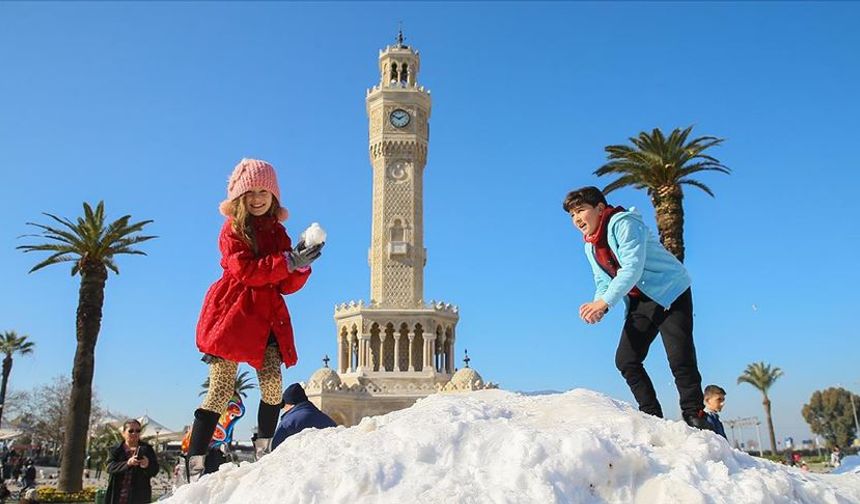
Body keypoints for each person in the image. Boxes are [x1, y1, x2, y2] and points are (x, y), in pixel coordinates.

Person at [185, 158, 324, 481]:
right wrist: (287, 261)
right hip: (232, 314)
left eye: (265, 191)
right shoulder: (232, 229)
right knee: (220, 390)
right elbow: (245, 271)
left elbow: (285, 285)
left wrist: (300, 264)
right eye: (252, 192)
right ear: (240, 197)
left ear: (274, 196)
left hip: (267, 317)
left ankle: (264, 448)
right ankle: (195, 461)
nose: (258, 198)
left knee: (273, 386)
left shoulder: (278, 232)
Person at [563, 186, 711, 430]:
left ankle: (694, 414)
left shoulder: (624, 224)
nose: (577, 218)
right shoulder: (590, 246)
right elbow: (603, 281)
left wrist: (604, 301)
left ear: (600, 209)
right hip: (641, 300)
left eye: (581, 210)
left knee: (679, 358)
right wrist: (599, 305)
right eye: (572, 215)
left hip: (671, 292)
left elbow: (632, 268)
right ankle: (651, 416)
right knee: (626, 360)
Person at [104, 420, 159, 504]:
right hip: (117, 496)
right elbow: (109, 467)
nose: (134, 433)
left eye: (138, 431)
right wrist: (127, 463)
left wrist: (147, 465)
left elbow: (155, 470)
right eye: (131, 431)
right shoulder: (115, 450)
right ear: (123, 433)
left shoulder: (147, 449)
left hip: (139, 497)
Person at [272, 383, 336, 451]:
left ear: (289, 404)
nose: (283, 410)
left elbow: (275, 452)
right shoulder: (329, 421)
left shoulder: (287, 424)